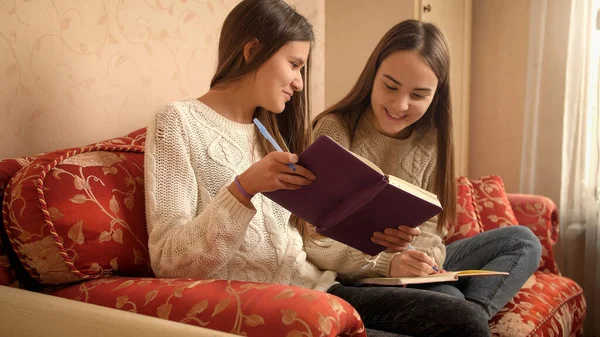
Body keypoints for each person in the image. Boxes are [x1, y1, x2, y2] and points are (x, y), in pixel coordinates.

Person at [145, 1, 491, 336]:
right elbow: (169, 262)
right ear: (251, 52)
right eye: (294, 65)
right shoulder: (177, 121)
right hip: (275, 306)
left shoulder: (271, 133)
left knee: (462, 317)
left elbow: (309, 237)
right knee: (462, 320)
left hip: (321, 291)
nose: (299, 83)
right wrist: (243, 189)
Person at [310, 19, 542, 332]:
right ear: (372, 75)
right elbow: (311, 238)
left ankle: (467, 313)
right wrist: (388, 260)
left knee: (523, 240)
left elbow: (434, 228)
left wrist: (420, 258)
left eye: (419, 95)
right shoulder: (335, 130)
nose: (400, 104)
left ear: (437, 95)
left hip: (413, 265)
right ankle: (459, 315)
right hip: (358, 272)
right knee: (449, 300)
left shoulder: (431, 139)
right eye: (390, 86)